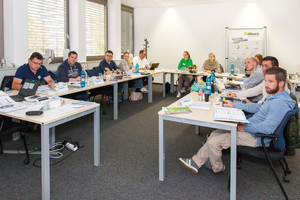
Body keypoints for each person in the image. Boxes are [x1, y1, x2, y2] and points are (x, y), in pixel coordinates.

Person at [179, 67, 295, 174]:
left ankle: (217, 167)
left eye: (270, 81)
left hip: (256, 137)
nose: (266, 85)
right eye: (265, 81)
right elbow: (257, 107)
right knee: (216, 132)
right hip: (252, 128)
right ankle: (197, 161)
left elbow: (267, 128)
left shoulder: (279, 103)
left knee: (214, 142)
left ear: (281, 83)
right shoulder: (274, 96)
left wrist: (244, 128)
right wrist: (234, 105)